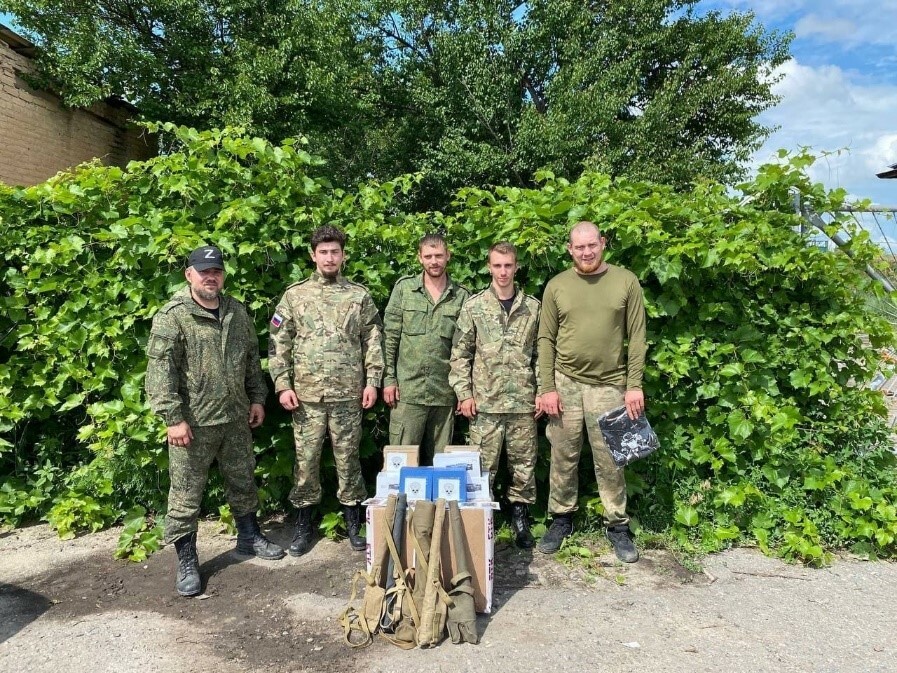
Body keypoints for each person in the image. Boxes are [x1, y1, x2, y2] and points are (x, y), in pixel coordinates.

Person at [146, 244, 285, 598]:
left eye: (217, 271)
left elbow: (251, 359)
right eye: (204, 271)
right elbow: (160, 371)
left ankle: (249, 537)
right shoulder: (173, 315)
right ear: (189, 274)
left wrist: (257, 398)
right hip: (193, 425)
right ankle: (188, 560)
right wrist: (172, 418)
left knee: (243, 481)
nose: (211, 277)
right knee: (186, 495)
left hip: (235, 418)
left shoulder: (236, 312)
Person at [268, 225, 384, 556]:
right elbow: (278, 342)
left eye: (335, 252)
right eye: (323, 252)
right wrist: (282, 385)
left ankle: (353, 523)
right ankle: (303, 526)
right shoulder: (294, 296)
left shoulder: (358, 296)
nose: (329, 257)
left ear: (343, 255)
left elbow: (373, 340)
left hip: (348, 394)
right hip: (306, 397)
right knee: (306, 462)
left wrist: (373, 381)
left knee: (348, 460)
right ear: (313, 255)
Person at [536, 221, 647, 562]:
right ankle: (561, 518)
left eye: (591, 245)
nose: (586, 252)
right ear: (570, 249)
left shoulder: (626, 281)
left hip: (611, 383)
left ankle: (617, 525)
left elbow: (638, 337)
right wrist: (547, 388)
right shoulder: (557, 286)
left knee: (612, 458)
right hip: (565, 382)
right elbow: (545, 339)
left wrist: (634, 385)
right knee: (563, 454)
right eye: (578, 247)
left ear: (603, 243)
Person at [449, 242, 543, 548]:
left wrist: (542, 393)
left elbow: (542, 356)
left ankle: (520, 519)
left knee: (524, 466)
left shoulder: (533, 308)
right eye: (497, 265)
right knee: (482, 468)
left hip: (522, 404)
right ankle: (481, 521)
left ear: (516, 267)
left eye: (508, 265)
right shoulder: (474, 306)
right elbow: (460, 355)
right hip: (485, 405)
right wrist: (464, 394)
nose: (503, 272)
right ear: (489, 267)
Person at [382, 233, 470, 464]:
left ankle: (439, 503)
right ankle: (398, 502)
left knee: (442, 465)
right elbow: (390, 338)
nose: (434, 261)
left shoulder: (461, 296)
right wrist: (389, 379)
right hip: (408, 392)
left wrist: (464, 391)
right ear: (420, 258)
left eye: (439, 256)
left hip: (445, 393)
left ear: (448, 256)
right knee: (401, 462)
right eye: (428, 256)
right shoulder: (404, 289)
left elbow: (466, 349)